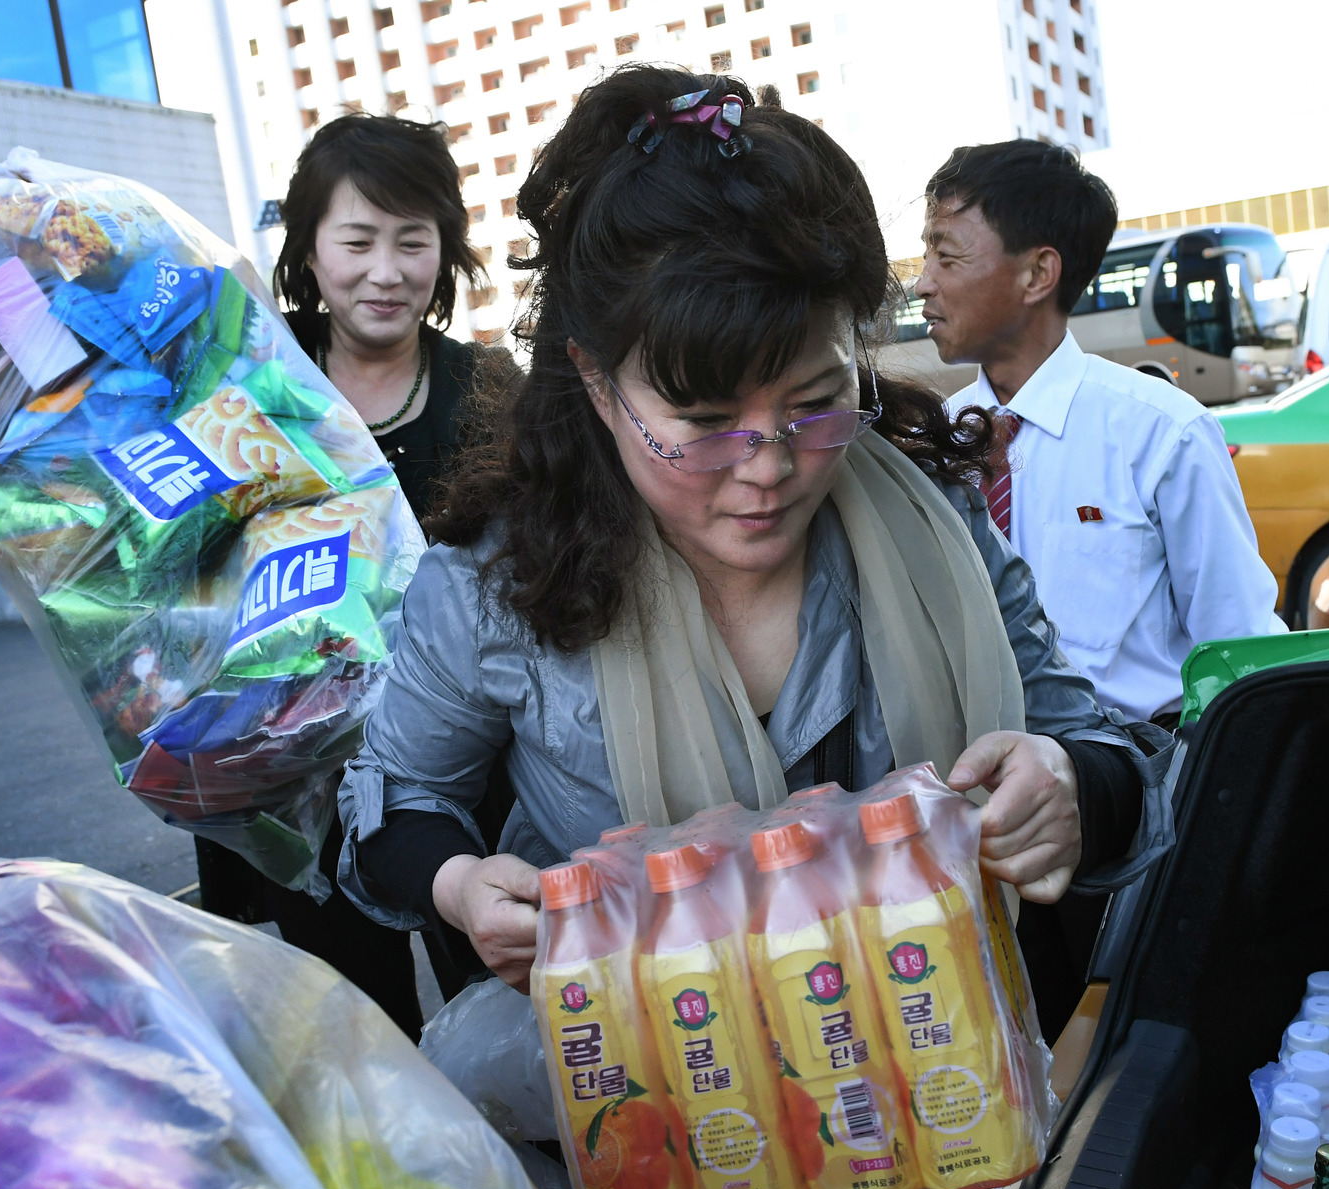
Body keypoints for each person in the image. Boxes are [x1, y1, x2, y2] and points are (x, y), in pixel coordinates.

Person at [332, 70, 1167, 1040]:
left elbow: (1092, 745)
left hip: (939, 1077)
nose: (768, 467)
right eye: (703, 421)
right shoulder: (495, 587)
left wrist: (1069, 789)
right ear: (597, 385)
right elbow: (396, 800)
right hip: (660, 1099)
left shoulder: (935, 522)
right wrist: (461, 882)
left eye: (814, 402)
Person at [194, 113, 512, 1039]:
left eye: (413, 241)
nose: (387, 270)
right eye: (358, 239)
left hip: (467, 775)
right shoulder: (254, 372)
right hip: (299, 779)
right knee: (349, 1039)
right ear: (309, 247)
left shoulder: (492, 389)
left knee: (505, 1014)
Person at [914, 141, 1281, 734]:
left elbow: (1238, 645)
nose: (923, 285)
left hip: (1131, 780)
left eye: (947, 258)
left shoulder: (1163, 434)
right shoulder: (938, 442)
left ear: (1038, 273)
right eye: (925, 257)